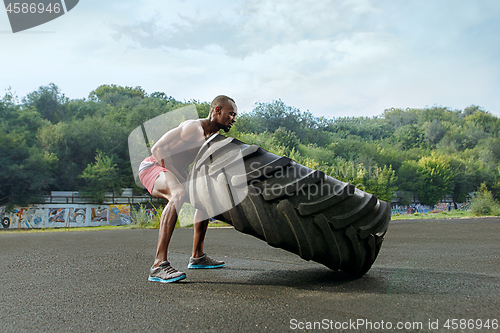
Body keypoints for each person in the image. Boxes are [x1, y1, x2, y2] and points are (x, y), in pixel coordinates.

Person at [138, 95, 237, 283]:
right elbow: (157, 150)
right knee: (178, 193)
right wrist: (177, 177)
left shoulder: (210, 137)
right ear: (217, 110)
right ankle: (159, 265)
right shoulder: (194, 128)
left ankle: (197, 256)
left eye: (234, 115)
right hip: (152, 166)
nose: (233, 119)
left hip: (170, 171)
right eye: (230, 114)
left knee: (204, 198)